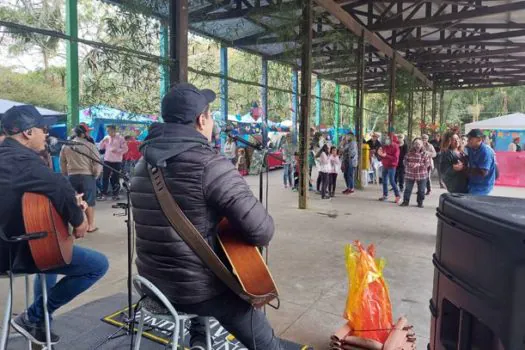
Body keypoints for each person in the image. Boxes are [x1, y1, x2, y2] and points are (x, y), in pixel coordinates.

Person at [130, 83, 299, 350]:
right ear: (201, 120)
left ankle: (198, 338)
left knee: (203, 261)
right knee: (262, 336)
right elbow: (262, 231)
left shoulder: (141, 164)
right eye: (210, 116)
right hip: (195, 292)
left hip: (151, 285)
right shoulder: (210, 164)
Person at [0, 105, 108, 345]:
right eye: (43, 129)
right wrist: (79, 221)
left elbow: (32, 196)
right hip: (13, 253)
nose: (46, 135)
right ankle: (33, 316)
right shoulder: (25, 162)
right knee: (97, 265)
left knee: (52, 253)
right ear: (28, 132)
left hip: (10, 242)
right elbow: (60, 187)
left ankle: (41, 322)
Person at [60, 125, 103, 232]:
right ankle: (90, 225)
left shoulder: (66, 146)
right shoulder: (89, 146)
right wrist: (96, 174)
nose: (89, 134)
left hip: (72, 177)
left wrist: (66, 173)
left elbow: (62, 162)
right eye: (88, 132)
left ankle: (77, 225)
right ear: (83, 134)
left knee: (74, 201)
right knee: (89, 202)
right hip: (87, 176)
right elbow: (97, 162)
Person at [456, 129, 496, 196]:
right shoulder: (471, 148)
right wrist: (462, 160)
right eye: (468, 138)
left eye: (470, 138)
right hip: (472, 183)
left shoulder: (485, 152)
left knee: (471, 203)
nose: (468, 140)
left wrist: (463, 168)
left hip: (483, 187)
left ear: (479, 139)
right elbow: (467, 157)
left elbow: (483, 172)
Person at [98, 124, 128, 200]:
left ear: (114, 130)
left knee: (115, 178)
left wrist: (117, 150)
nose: (108, 132)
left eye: (109, 130)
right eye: (107, 131)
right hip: (107, 160)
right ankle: (104, 194)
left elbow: (125, 149)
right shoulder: (106, 137)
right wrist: (102, 142)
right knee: (105, 178)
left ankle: (115, 195)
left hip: (116, 161)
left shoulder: (120, 138)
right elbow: (101, 148)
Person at [400, 138, 431, 208]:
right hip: (410, 174)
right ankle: (405, 202)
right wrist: (409, 164)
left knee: (421, 190)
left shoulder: (425, 154)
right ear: (413, 145)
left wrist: (419, 165)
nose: (417, 145)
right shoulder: (409, 153)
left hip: (422, 175)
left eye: (419, 144)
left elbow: (427, 164)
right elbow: (404, 161)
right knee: (408, 189)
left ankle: (420, 202)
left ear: (422, 145)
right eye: (416, 144)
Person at [377, 133, 401, 203]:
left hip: (392, 166)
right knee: (384, 181)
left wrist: (386, 155)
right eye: (386, 138)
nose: (386, 140)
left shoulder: (396, 147)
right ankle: (385, 195)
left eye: (388, 138)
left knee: (392, 181)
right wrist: (379, 153)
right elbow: (382, 155)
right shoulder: (384, 146)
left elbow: (395, 158)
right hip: (385, 165)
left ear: (392, 140)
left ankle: (398, 196)